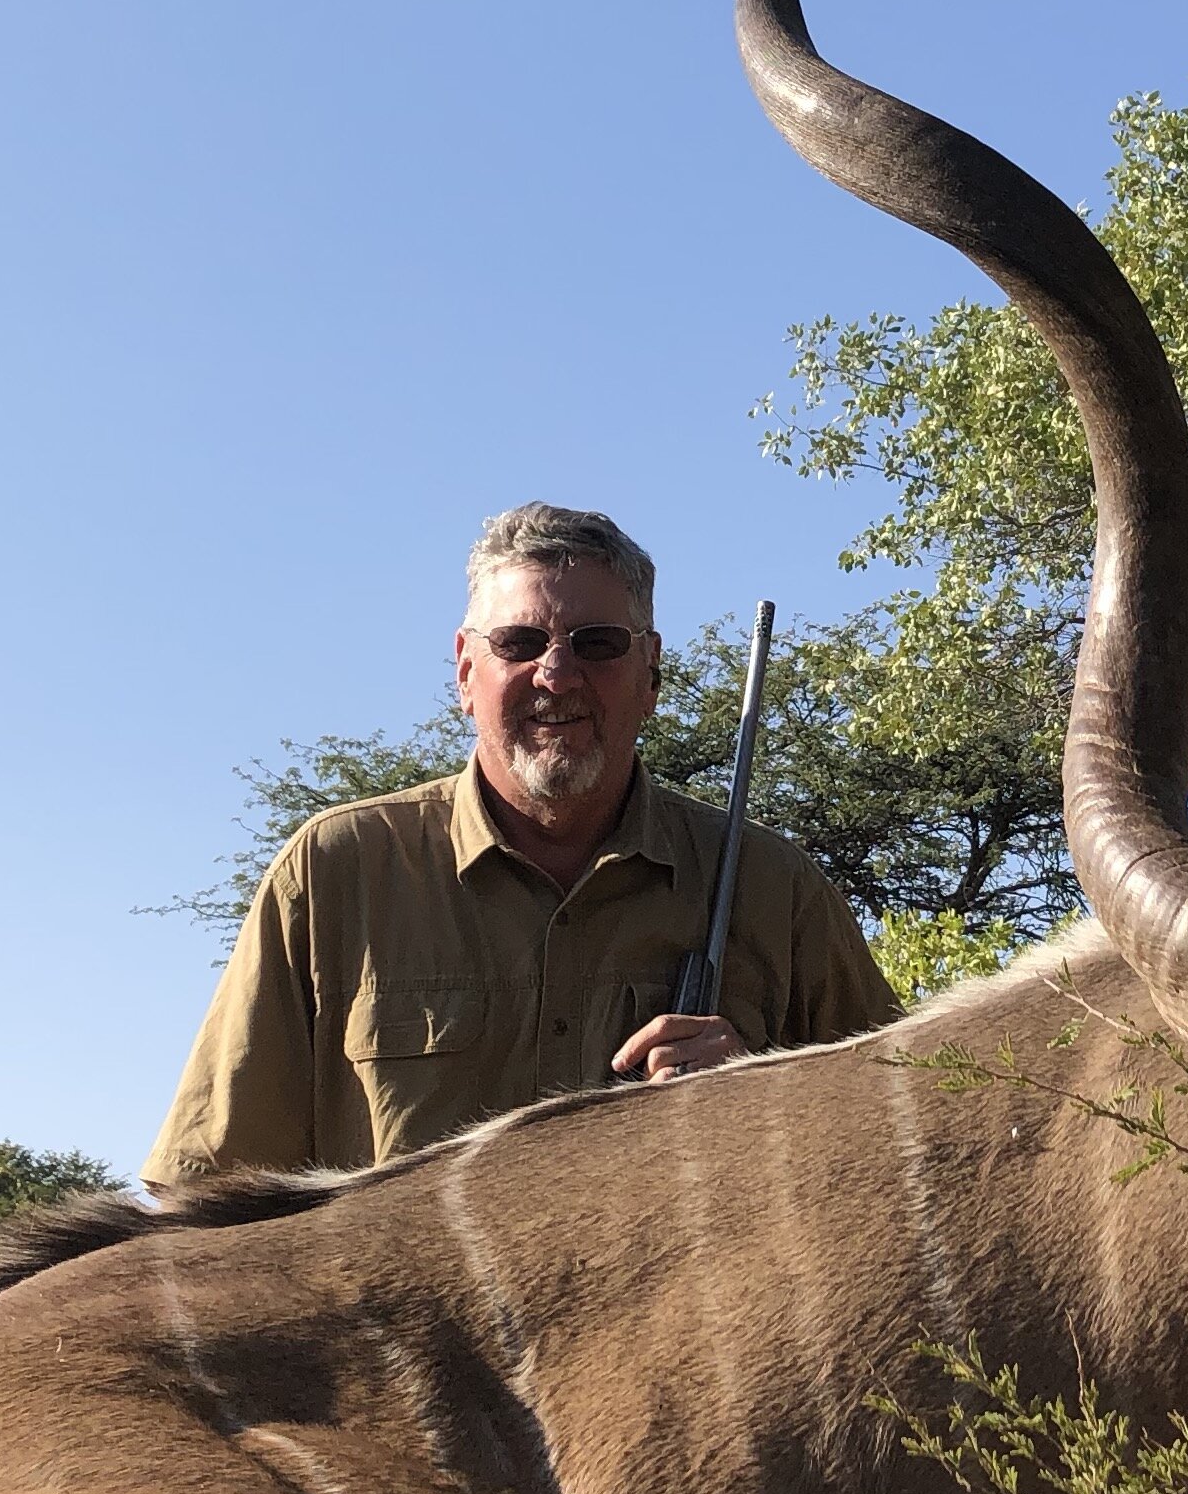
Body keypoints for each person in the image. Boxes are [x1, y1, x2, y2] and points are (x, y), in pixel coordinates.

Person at [145, 503, 900, 1182]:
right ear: (466, 673)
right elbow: (209, 1193)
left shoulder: (777, 888)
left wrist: (772, 1101)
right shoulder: (333, 871)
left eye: (598, 644)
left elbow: (903, 1154)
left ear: (652, 674)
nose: (557, 673)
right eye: (520, 641)